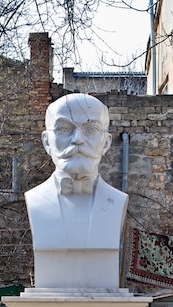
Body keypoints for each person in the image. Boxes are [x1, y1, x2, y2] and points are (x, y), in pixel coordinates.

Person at [25, 93, 128, 289]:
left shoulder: (117, 202)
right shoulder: (35, 201)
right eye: (64, 128)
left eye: (92, 129)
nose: (78, 139)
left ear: (106, 143)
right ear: (47, 142)